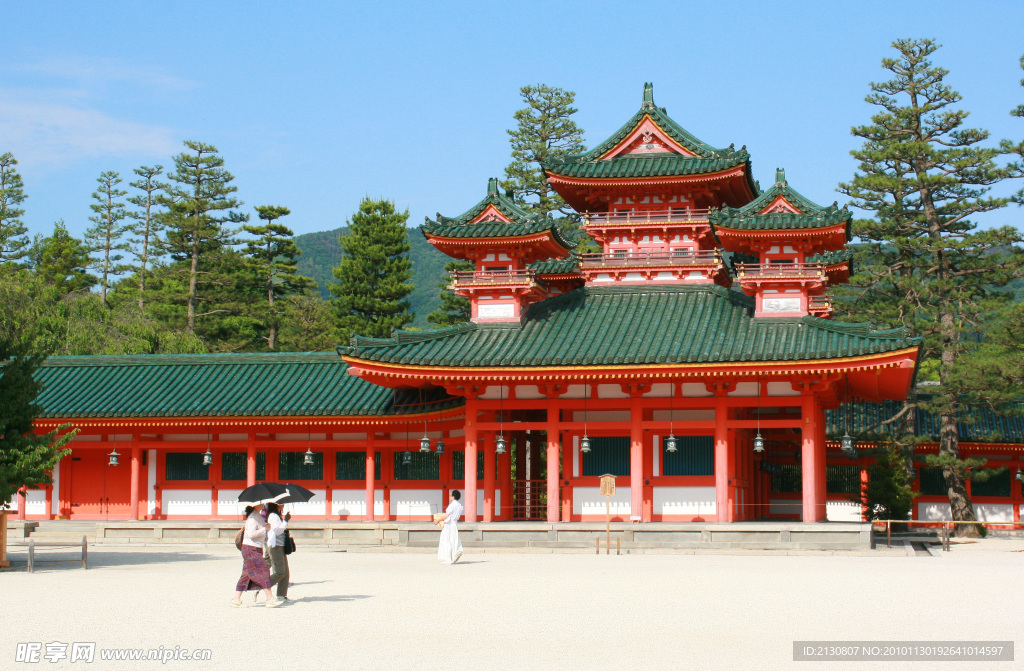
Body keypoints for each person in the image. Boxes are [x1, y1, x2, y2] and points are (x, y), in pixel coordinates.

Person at [231, 505, 280, 608]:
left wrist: (265, 527)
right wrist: (264, 529)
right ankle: (269, 598)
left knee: (246, 574)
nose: (263, 504)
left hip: (255, 548)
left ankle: (236, 599)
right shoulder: (253, 517)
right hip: (250, 548)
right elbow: (250, 534)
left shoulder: (258, 516)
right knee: (263, 570)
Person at [264, 502, 290, 603]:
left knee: (286, 572)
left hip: (280, 546)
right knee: (280, 572)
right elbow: (277, 531)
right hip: (275, 547)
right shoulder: (273, 516)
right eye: (281, 504)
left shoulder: (276, 515)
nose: (283, 505)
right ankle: (264, 585)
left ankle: (281, 595)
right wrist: (285, 521)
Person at [437, 489, 464, 565]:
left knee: (446, 541)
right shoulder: (459, 505)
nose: (449, 496)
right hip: (454, 524)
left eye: (450, 495)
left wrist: (438, 520)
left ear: (453, 496)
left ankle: (448, 558)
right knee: (454, 540)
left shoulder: (452, 505)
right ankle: (457, 551)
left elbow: (446, 515)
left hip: (449, 525)